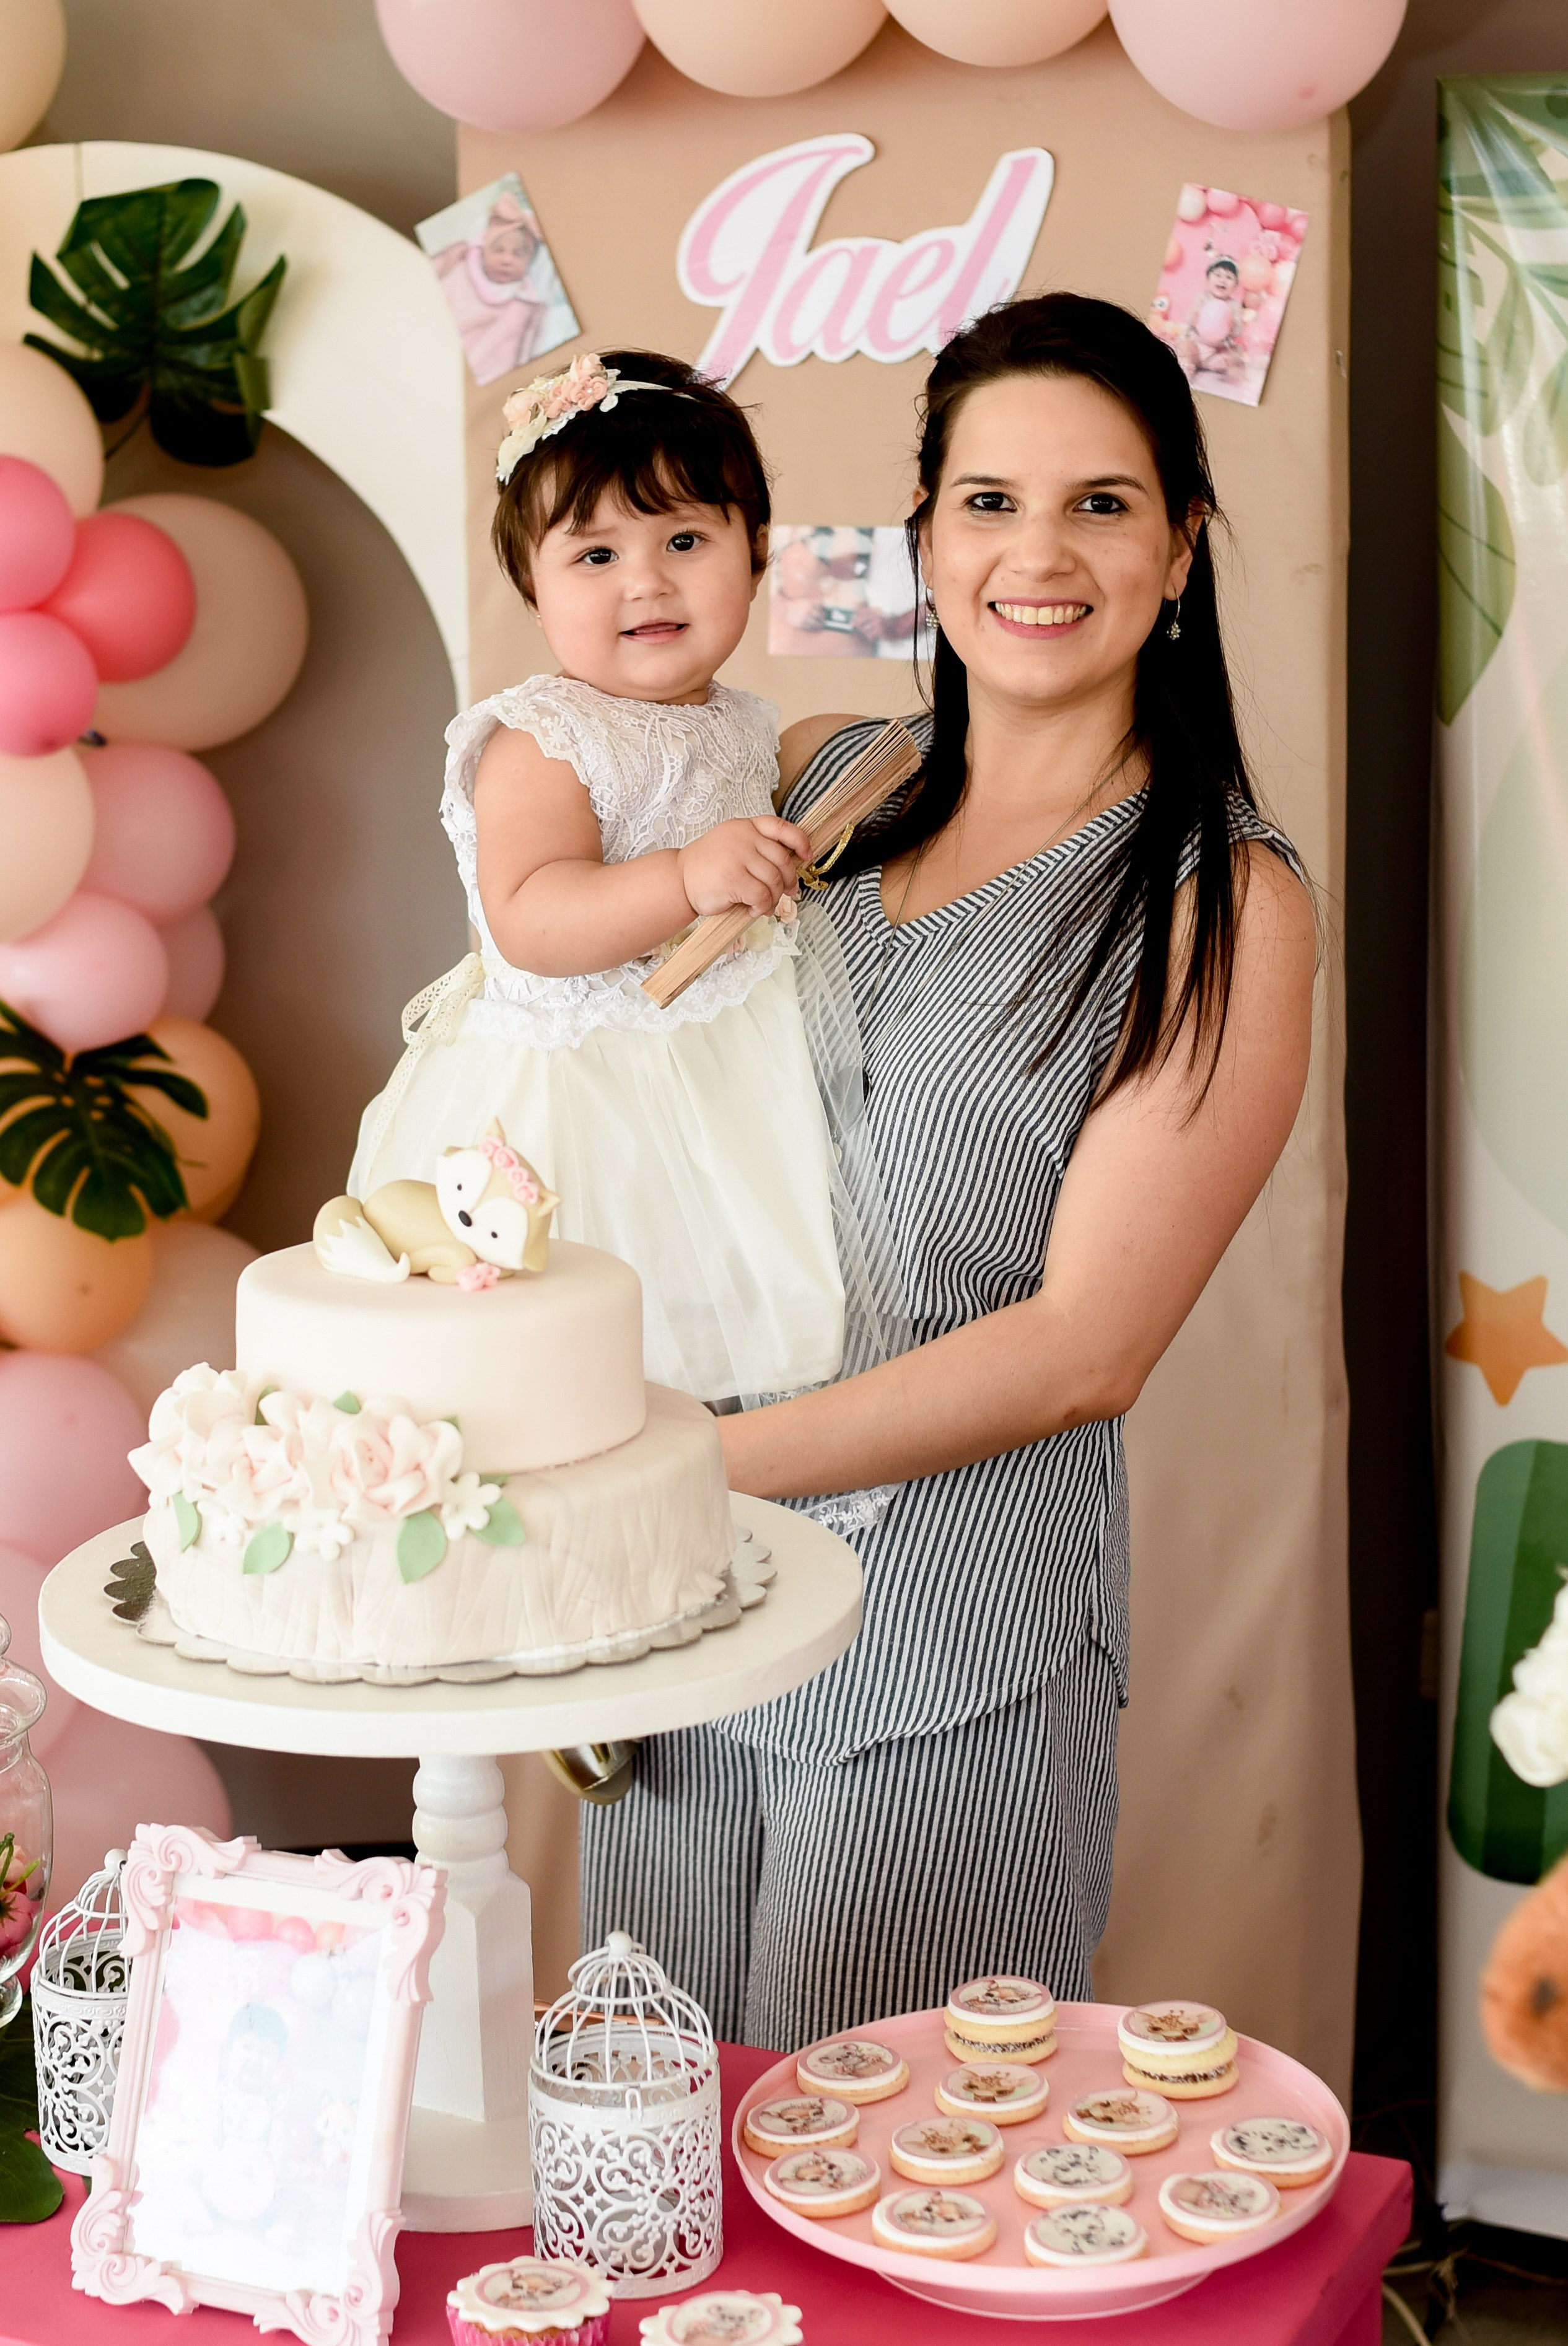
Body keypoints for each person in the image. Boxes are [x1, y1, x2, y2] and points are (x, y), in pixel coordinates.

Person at [581, 294, 1317, 2049]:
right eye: (984, 502)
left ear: (1179, 544)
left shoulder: (1220, 900)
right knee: (650, 2133)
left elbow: (1084, 1346)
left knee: (895, 2183)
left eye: (1099, 502)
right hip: (686, 1615)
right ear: (922, 539)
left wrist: (673, 1465)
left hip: (948, 1653)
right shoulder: (826, 785)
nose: (1034, 553)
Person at [348, 349, 897, 1408]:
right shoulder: (545, 740)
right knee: (588, 1365)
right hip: (590, 1098)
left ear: (758, 555)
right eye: (595, 557)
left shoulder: (740, 722)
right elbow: (533, 919)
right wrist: (687, 876)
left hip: (724, 1067)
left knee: (728, 1355)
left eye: (686, 541)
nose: (646, 580)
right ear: (533, 586)